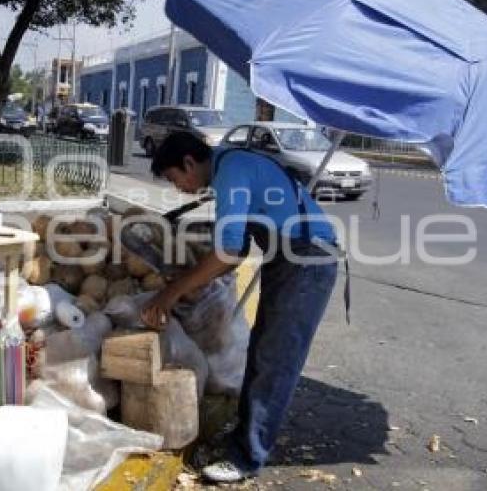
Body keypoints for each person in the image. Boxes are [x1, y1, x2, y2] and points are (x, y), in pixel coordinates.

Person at [142, 131, 339, 483]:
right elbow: (238, 249)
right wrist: (193, 277)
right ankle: (245, 438)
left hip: (308, 259)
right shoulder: (233, 164)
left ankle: (247, 457)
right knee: (263, 351)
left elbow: (229, 251)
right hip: (291, 258)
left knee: (275, 361)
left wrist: (171, 293)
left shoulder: (231, 171)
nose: (180, 189)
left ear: (189, 162)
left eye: (176, 179)